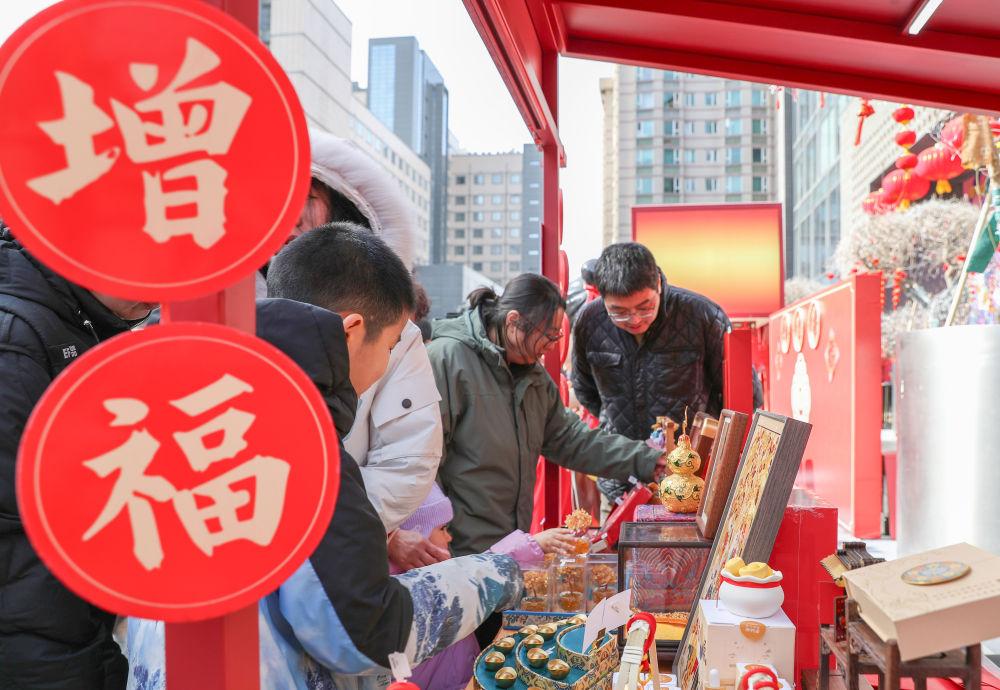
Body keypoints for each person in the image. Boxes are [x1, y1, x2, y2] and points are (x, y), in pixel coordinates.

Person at [127, 225, 521, 690]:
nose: (386, 365)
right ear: (352, 331)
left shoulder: (183, 407)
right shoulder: (303, 446)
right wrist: (496, 571)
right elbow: (364, 633)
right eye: (390, 346)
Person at [0, 223, 154, 689]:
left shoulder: (75, 316)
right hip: (33, 623)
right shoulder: (18, 336)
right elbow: (19, 505)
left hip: (59, 612)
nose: (157, 294)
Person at [427, 272, 668, 562]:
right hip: (456, 550)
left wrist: (647, 459)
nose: (553, 345)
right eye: (549, 335)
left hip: (508, 546)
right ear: (514, 321)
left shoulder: (532, 376)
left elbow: (570, 439)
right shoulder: (447, 360)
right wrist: (436, 539)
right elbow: (424, 463)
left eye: (558, 335)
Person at [289, 130, 446, 570]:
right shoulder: (227, 313)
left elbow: (407, 457)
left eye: (305, 198)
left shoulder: (396, 330)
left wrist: (329, 527)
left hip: (341, 554)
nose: (288, 216)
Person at [571, 242, 730, 506]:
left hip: (692, 482)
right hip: (620, 481)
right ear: (603, 297)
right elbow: (585, 389)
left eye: (645, 307)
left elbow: (738, 393)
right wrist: (616, 419)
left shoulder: (702, 315)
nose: (634, 319)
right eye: (619, 312)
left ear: (657, 283)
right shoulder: (590, 321)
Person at [389, 484, 575, 690]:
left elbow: (477, 574)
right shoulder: (411, 599)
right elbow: (480, 578)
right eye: (442, 529)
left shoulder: (427, 581)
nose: (449, 537)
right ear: (416, 537)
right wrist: (532, 545)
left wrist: (533, 545)